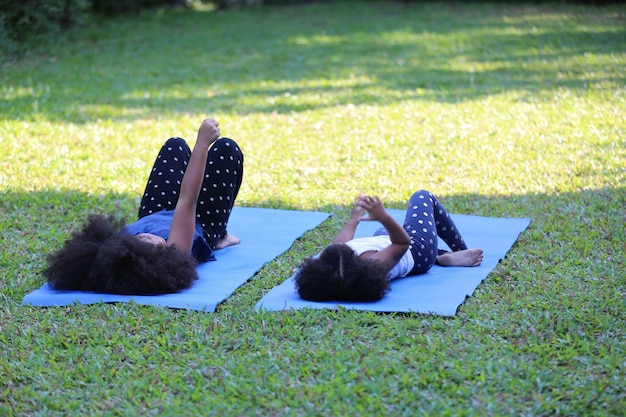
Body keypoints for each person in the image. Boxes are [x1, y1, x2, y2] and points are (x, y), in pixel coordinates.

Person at [44, 118, 244, 295]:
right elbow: (187, 198)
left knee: (175, 145)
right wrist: (201, 144)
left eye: (138, 244)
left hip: (155, 212)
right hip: (199, 218)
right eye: (150, 249)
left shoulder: (113, 254)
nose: (145, 240)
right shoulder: (176, 252)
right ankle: (219, 237)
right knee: (225, 149)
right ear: (162, 259)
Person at [294, 190, 483, 302]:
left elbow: (339, 244)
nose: (334, 247)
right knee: (423, 197)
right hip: (417, 250)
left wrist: (354, 219)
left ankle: (440, 257)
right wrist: (384, 217)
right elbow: (402, 242)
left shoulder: (338, 269)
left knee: (378, 233)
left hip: (387, 244)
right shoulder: (375, 262)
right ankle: (459, 251)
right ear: (355, 260)